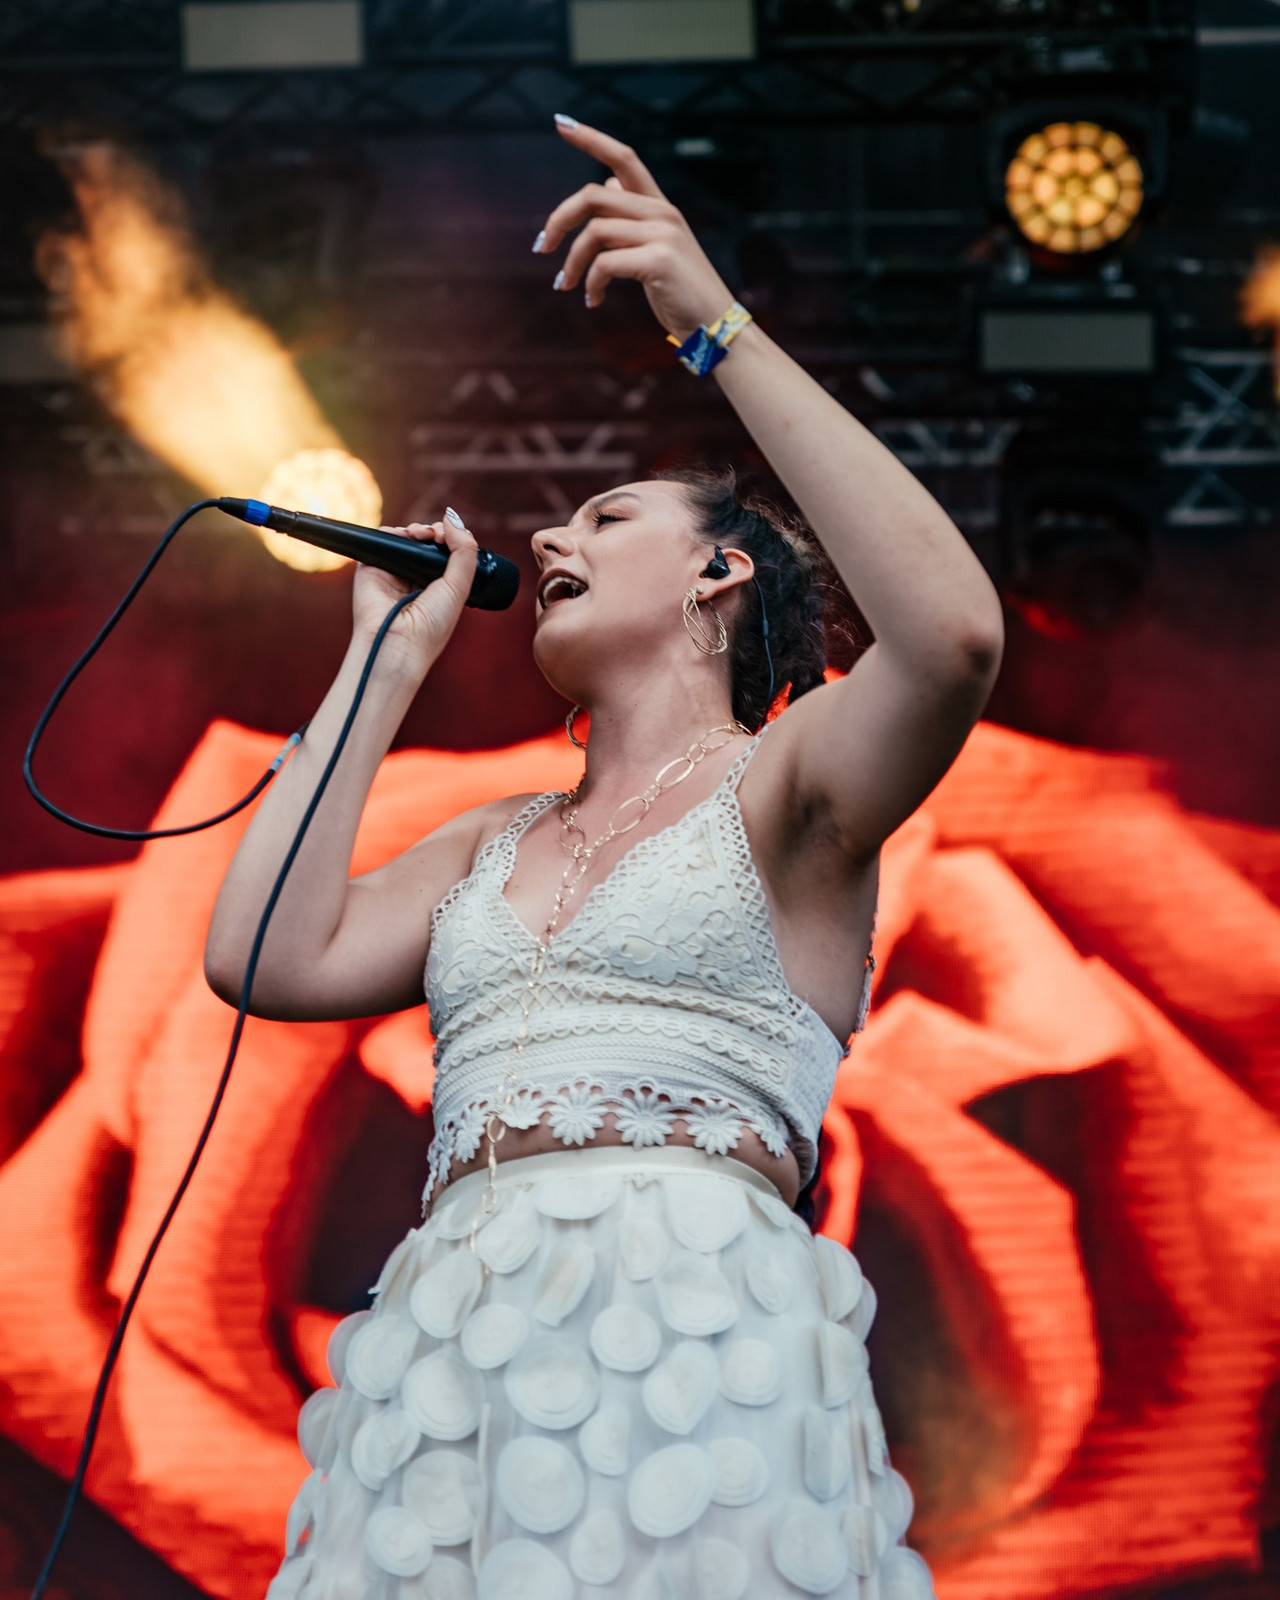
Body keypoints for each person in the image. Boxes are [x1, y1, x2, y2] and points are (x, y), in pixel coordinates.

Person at [205, 115, 1004, 1600]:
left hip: (694, 1333)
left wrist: (713, 328)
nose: (553, 539)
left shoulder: (795, 784)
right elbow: (259, 957)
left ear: (720, 573)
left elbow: (953, 636)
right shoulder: (490, 840)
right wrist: (380, 671)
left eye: (605, 514)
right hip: (462, 1337)